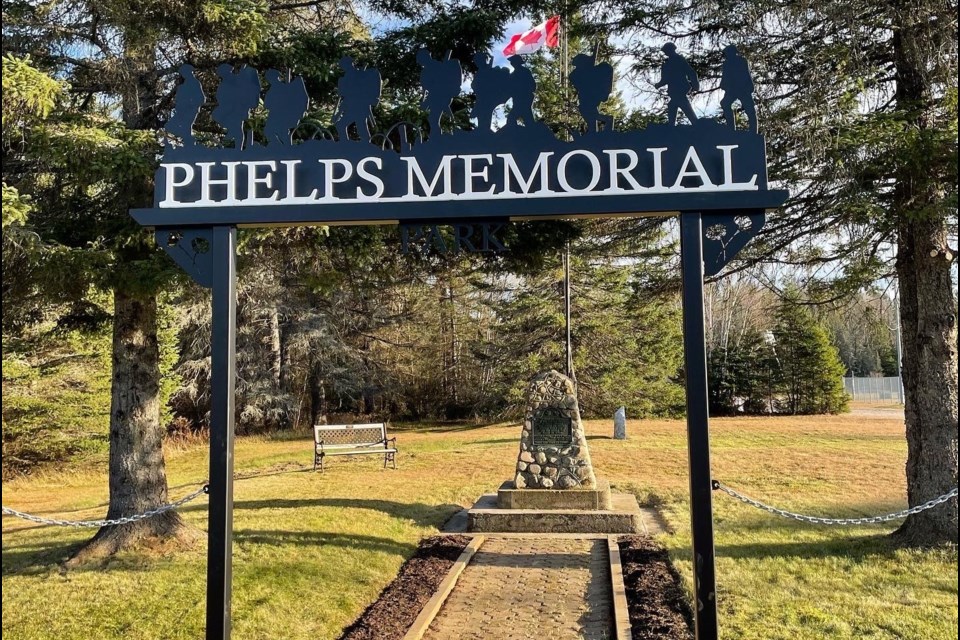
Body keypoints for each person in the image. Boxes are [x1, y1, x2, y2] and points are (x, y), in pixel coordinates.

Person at [213, 64, 261, 149]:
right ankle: (232, 134)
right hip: (229, 107)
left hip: (239, 107)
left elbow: (246, 90)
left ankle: (239, 147)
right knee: (219, 116)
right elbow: (220, 96)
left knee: (237, 127)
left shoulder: (239, 79)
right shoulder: (224, 84)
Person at [334, 57, 381, 142]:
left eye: (345, 65)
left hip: (361, 107)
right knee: (341, 125)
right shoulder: (345, 78)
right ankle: (345, 144)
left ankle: (366, 146)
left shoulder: (362, 74)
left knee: (361, 128)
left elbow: (370, 86)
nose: (345, 67)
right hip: (350, 107)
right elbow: (343, 94)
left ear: (351, 64)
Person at [417, 49, 462, 137]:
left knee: (433, 118)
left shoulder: (437, 66)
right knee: (433, 118)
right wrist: (424, 101)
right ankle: (436, 136)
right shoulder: (425, 71)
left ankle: (437, 136)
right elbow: (425, 89)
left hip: (441, 95)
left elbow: (443, 83)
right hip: (433, 96)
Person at [654, 43, 699, 126]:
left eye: (666, 50)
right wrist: (659, 84)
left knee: (680, 104)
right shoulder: (666, 64)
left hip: (681, 88)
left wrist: (695, 85)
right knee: (674, 105)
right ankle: (673, 127)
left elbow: (691, 72)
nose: (665, 52)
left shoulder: (679, 59)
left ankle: (695, 124)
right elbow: (665, 79)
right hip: (674, 90)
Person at [570, 53, 614, 133]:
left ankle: (606, 120)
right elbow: (575, 81)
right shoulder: (577, 73)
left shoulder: (593, 72)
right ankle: (593, 132)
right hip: (584, 96)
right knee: (589, 114)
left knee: (589, 113)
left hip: (590, 96)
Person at [264, 70, 309, 145]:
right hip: (276, 114)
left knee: (272, 131)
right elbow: (267, 104)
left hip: (279, 115)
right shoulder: (278, 88)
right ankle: (282, 148)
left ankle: (283, 148)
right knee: (278, 132)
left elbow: (268, 104)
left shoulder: (277, 89)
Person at [719, 45, 757, 133]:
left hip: (742, 89)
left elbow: (746, 74)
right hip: (732, 90)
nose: (727, 55)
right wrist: (723, 85)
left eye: (728, 53)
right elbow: (725, 77)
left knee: (749, 108)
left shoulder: (741, 61)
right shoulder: (727, 64)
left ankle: (753, 131)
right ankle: (731, 129)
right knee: (725, 104)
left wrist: (750, 86)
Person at [471, 53, 510, 133]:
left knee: (485, 115)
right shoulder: (480, 73)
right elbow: (474, 85)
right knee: (481, 116)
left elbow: (501, 78)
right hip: (481, 98)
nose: (477, 63)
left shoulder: (492, 71)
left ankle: (484, 132)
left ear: (483, 60)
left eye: (479, 61)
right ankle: (483, 132)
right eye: (476, 62)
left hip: (488, 99)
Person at [166, 64, 205, 146]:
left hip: (190, 110)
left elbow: (202, 98)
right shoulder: (183, 86)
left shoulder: (195, 83)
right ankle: (189, 139)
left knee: (186, 127)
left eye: (185, 72)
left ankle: (189, 143)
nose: (183, 74)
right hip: (181, 110)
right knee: (170, 126)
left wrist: (191, 105)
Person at [505, 55, 537, 128]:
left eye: (513, 61)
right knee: (526, 119)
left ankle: (531, 134)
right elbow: (509, 88)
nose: (512, 63)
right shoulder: (512, 75)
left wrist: (524, 91)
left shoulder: (525, 71)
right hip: (517, 100)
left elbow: (532, 85)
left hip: (525, 98)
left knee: (513, 118)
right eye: (511, 62)